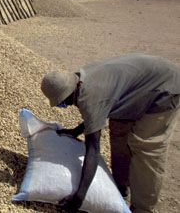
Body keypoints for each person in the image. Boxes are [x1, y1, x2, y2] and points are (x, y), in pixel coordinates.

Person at [40, 54, 180, 213]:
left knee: (145, 146)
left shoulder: (90, 98)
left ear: (66, 96)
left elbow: (93, 151)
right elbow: (97, 113)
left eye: (63, 104)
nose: (66, 106)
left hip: (165, 87)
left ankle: (143, 208)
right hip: (140, 88)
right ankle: (121, 188)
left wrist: (79, 197)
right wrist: (75, 131)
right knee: (119, 133)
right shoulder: (80, 81)